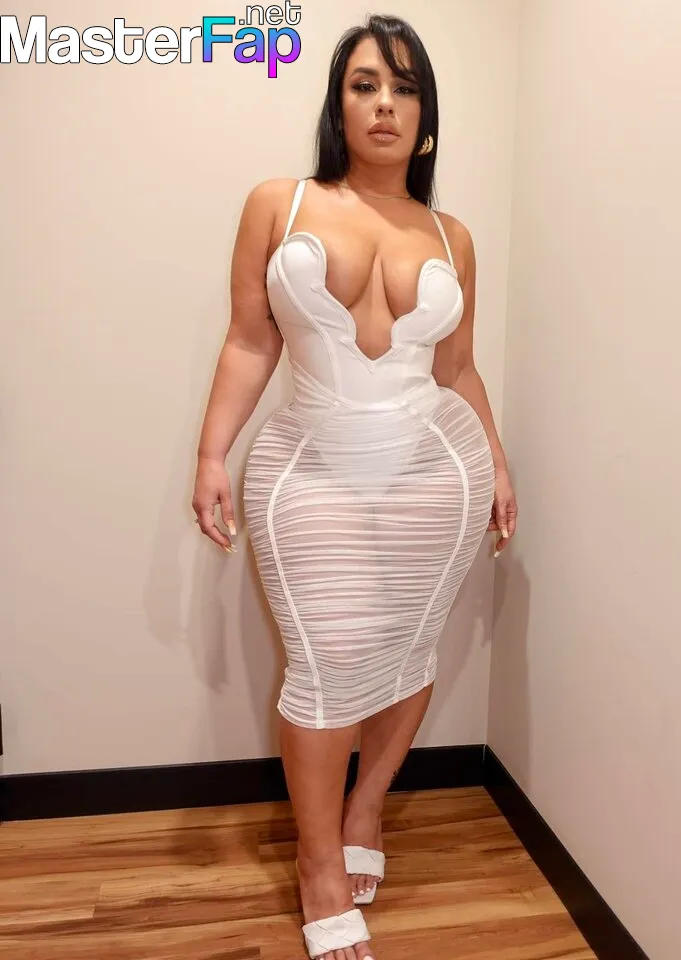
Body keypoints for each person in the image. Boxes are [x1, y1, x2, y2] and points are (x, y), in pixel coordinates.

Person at [192, 13, 518, 960]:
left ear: (426, 117)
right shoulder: (280, 203)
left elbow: (458, 368)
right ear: (338, 104)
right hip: (312, 465)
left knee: (410, 646)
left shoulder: (453, 235)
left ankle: (366, 804)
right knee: (324, 663)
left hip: (434, 471)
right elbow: (249, 339)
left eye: (405, 88)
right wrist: (212, 454)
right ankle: (319, 862)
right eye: (365, 84)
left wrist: (497, 462)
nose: (384, 104)